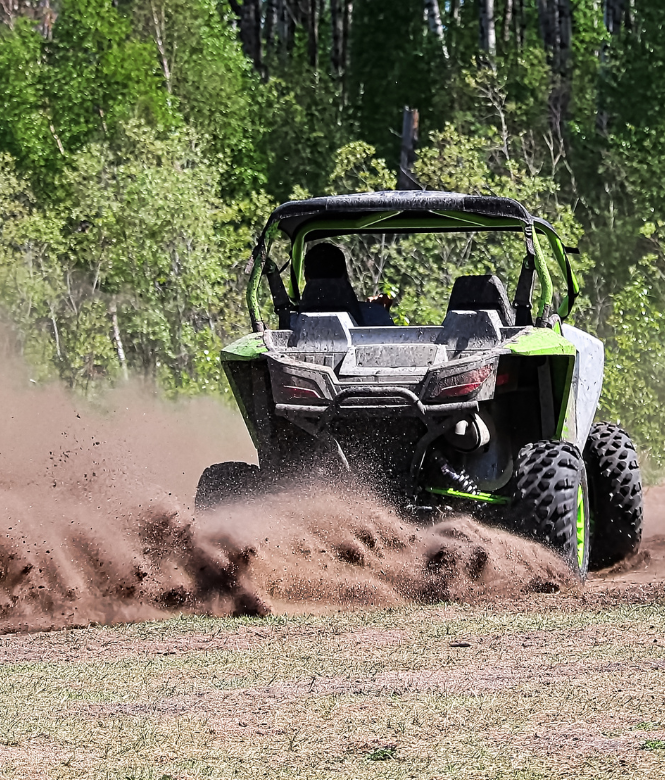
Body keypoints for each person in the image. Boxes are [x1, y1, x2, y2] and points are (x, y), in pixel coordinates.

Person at [300, 243, 394, 326]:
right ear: (345, 275)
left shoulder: (289, 323)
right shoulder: (376, 316)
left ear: (306, 277)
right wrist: (375, 311)